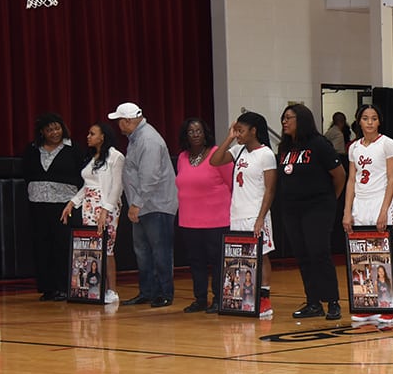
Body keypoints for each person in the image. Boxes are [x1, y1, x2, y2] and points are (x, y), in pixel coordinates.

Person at [277, 104, 347, 320]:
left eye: (289, 118)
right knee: (302, 254)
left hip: (317, 207)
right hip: (291, 209)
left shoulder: (319, 144)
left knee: (319, 252)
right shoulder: (284, 148)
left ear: (302, 120)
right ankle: (313, 302)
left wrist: (328, 201)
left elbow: (339, 175)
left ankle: (332, 301)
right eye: (283, 118)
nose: (284, 122)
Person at [209, 112, 277, 318]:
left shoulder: (265, 154)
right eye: (236, 130)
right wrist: (229, 138)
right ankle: (245, 298)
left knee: (261, 255)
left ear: (253, 131)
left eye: (241, 130)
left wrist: (260, 218)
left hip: (256, 213)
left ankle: (265, 299)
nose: (238, 134)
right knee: (242, 257)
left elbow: (270, 189)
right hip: (237, 213)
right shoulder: (238, 150)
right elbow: (215, 160)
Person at [110, 103, 179, 308]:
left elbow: (150, 177)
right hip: (143, 205)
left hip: (155, 205)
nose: (118, 125)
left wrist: (136, 204)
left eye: (120, 121)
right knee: (143, 251)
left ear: (128, 121)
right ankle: (148, 291)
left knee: (160, 251)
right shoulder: (137, 138)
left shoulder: (148, 140)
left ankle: (164, 293)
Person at [342, 104, 393, 324]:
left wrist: (384, 210)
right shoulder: (353, 148)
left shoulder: (388, 144)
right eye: (365, 118)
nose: (369, 122)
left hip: (381, 202)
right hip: (361, 203)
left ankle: (392, 307)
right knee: (362, 256)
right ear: (359, 121)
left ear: (379, 122)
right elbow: (351, 180)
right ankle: (367, 303)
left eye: (374, 118)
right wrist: (347, 211)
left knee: (384, 256)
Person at [23, 112, 85, 301]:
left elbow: (81, 176)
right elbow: (26, 173)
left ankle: (64, 287)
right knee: (42, 245)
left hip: (64, 205)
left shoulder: (73, 148)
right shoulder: (32, 149)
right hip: (38, 204)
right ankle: (48, 287)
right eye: (49, 130)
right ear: (42, 132)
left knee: (62, 245)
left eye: (57, 128)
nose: (54, 132)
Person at [175, 118, 234, 313]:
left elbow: (231, 184)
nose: (195, 134)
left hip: (216, 220)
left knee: (217, 262)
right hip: (189, 220)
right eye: (191, 131)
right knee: (196, 262)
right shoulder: (183, 157)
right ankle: (200, 299)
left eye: (199, 131)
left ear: (205, 133)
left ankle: (219, 298)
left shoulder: (218, 155)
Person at [61, 122, 123, 304]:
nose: (88, 136)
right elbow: (88, 186)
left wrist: (105, 210)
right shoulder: (92, 157)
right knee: (93, 248)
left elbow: (117, 187)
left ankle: (112, 291)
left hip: (106, 207)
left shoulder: (115, 157)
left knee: (107, 248)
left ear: (103, 136)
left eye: (92, 133)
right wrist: (73, 202)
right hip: (89, 206)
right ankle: (95, 289)